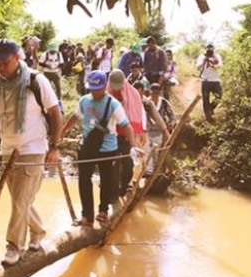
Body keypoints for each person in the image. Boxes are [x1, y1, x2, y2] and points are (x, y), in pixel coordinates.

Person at [0, 39, 63, 266]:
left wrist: (54, 147)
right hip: (8, 149)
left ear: (17, 57)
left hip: (32, 149)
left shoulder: (36, 80)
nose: (0, 67)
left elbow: (55, 113)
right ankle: (39, 230)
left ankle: (14, 247)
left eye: (4, 62)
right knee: (19, 200)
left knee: (20, 201)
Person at [62, 71, 137, 226]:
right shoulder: (84, 101)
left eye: (97, 89)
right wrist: (62, 132)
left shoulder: (113, 104)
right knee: (84, 180)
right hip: (87, 145)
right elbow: (75, 117)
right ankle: (87, 215)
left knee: (106, 180)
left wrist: (133, 146)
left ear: (105, 86)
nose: (94, 92)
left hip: (107, 149)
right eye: (92, 89)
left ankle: (103, 210)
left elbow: (126, 125)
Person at [107, 69, 146, 198]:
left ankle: (124, 188)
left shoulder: (133, 94)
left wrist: (138, 135)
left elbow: (138, 114)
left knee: (128, 165)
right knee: (112, 166)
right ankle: (112, 193)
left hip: (126, 135)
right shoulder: (106, 93)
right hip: (111, 135)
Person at [143, 83, 171, 175]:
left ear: (160, 93)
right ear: (150, 92)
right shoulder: (146, 102)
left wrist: (171, 123)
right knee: (146, 152)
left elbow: (171, 115)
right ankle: (147, 171)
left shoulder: (164, 103)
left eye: (157, 93)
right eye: (153, 93)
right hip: (147, 131)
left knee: (156, 152)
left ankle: (155, 171)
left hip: (158, 132)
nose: (155, 95)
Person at [196, 43, 223, 122]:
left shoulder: (217, 56)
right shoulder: (202, 57)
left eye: (211, 49)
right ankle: (207, 117)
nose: (210, 51)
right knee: (205, 99)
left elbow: (220, 65)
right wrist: (204, 61)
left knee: (219, 96)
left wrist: (213, 65)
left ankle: (211, 108)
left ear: (214, 49)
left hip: (215, 80)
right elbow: (198, 67)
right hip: (205, 80)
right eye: (208, 49)